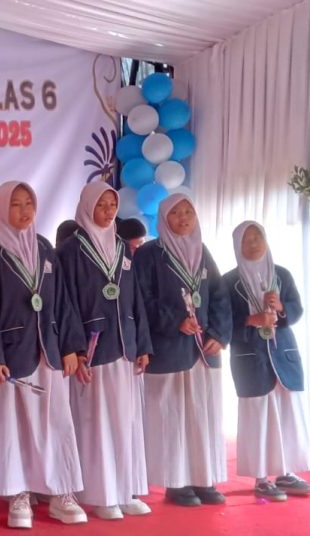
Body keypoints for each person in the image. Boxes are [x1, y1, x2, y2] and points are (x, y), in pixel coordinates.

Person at [0, 181, 87, 528]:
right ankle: (18, 493)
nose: (24, 211)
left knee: (56, 422)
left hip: (48, 351)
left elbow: (62, 300)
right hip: (10, 356)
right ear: (1, 208)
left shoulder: (44, 247)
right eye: (16, 204)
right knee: (14, 427)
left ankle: (61, 492)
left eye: (29, 203)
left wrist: (70, 347)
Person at [58, 182, 152, 520]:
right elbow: (65, 303)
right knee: (96, 422)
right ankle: (101, 494)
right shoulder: (70, 250)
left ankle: (125, 489)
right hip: (94, 347)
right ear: (87, 206)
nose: (109, 211)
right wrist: (75, 347)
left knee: (126, 421)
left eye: (112, 204)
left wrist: (143, 344)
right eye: (102, 204)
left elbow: (135, 296)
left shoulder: (122, 246)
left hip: (125, 347)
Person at [134, 193, 231, 507]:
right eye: (176, 213)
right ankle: (176, 483)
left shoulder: (202, 251)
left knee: (204, 415)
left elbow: (219, 295)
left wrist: (219, 334)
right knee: (171, 417)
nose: (184, 218)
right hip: (168, 350)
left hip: (203, 350)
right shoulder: (149, 254)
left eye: (189, 212)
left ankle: (204, 478)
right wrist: (175, 320)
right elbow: (141, 300)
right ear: (164, 218)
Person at [224, 221, 310, 500]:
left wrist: (281, 307)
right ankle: (261, 478)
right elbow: (223, 321)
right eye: (246, 240)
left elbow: (297, 310)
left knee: (286, 414)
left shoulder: (281, 275)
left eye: (257, 237)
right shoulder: (229, 282)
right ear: (237, 245)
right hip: (251, 357)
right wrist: (252, 319)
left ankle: (286, 472)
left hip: (282, 354)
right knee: (258, 417)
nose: (253, 244)